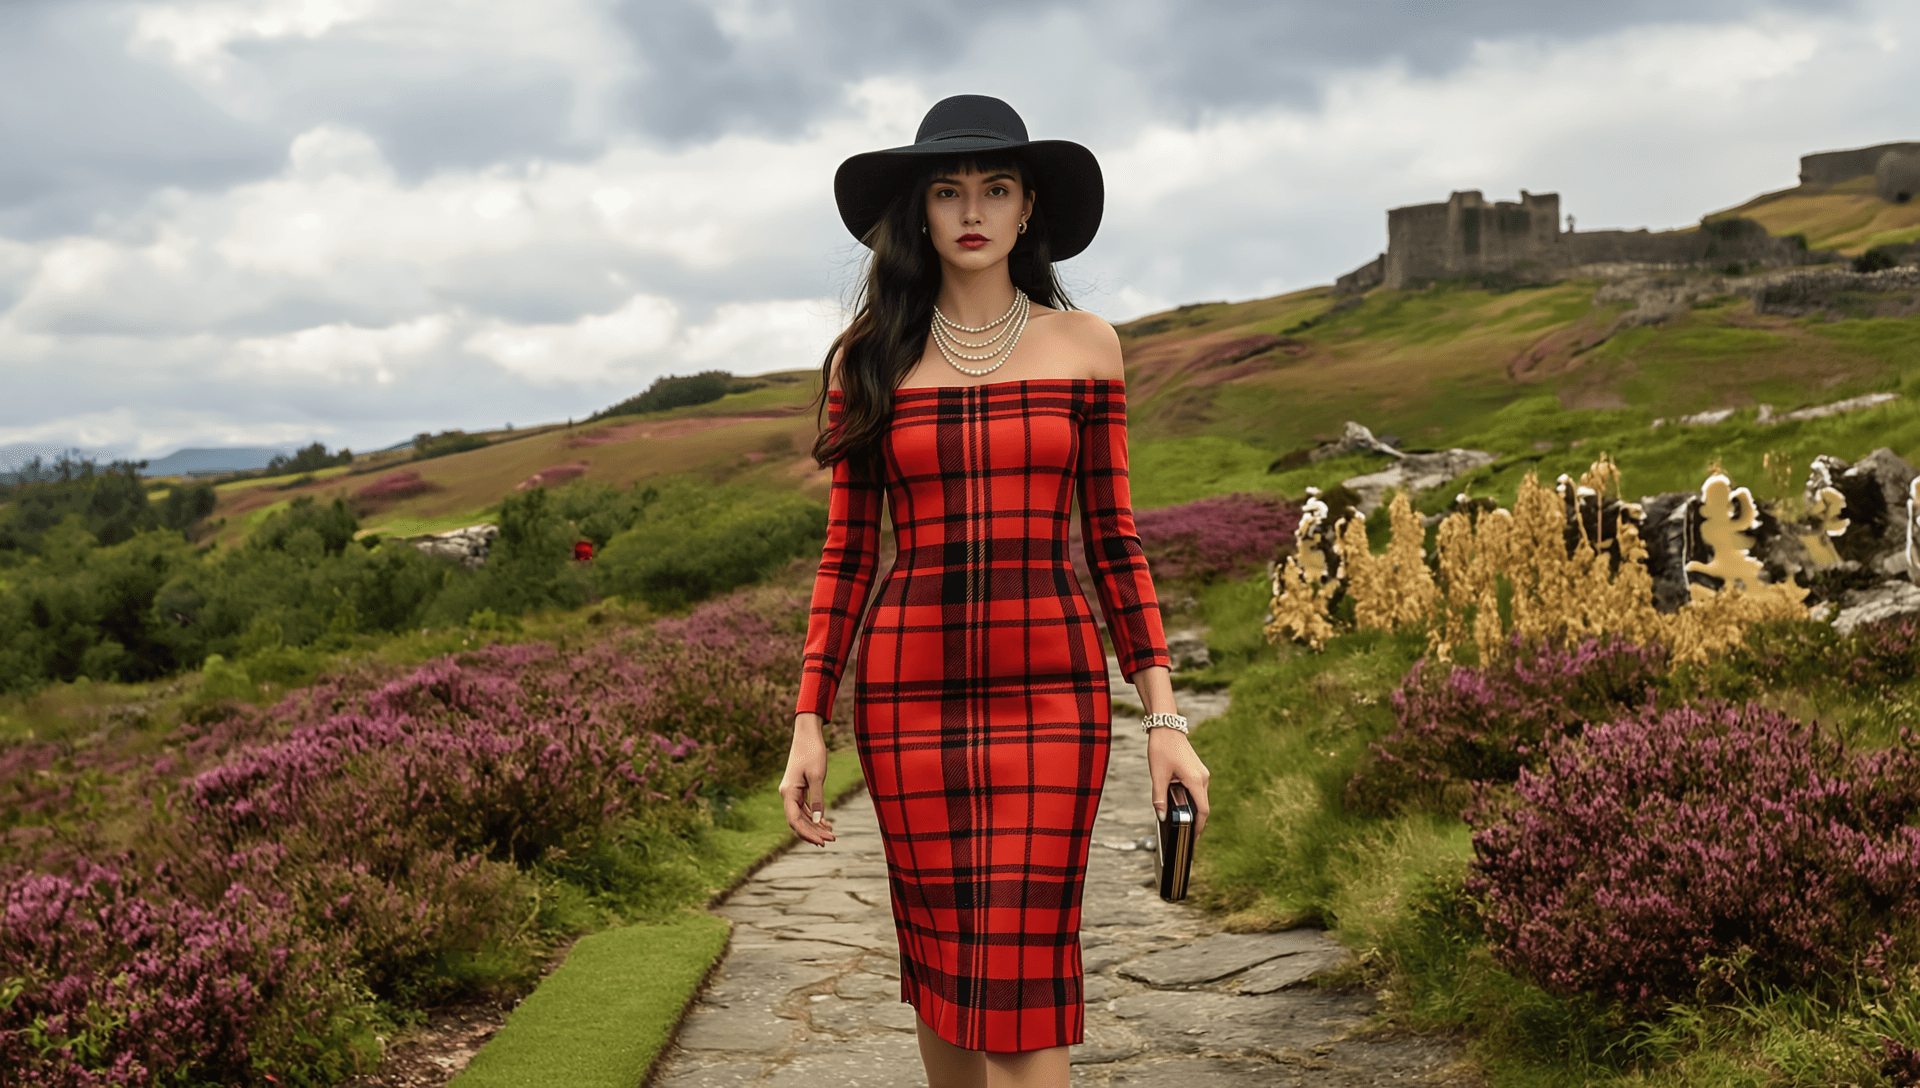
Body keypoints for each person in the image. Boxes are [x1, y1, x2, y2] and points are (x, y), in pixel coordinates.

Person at [778, 94, 1210, 1088]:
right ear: (920, 213)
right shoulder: (871, 360)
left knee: (1021, 983)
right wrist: (810, 717)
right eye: (947, 190)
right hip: (907, 702)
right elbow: (846, 555)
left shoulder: (1088, 348)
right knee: (940, 963)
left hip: (1052, 697)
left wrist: (1165, 719)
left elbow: (1115, 544)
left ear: (1028, 211)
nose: (972, 209)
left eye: (996, 188)